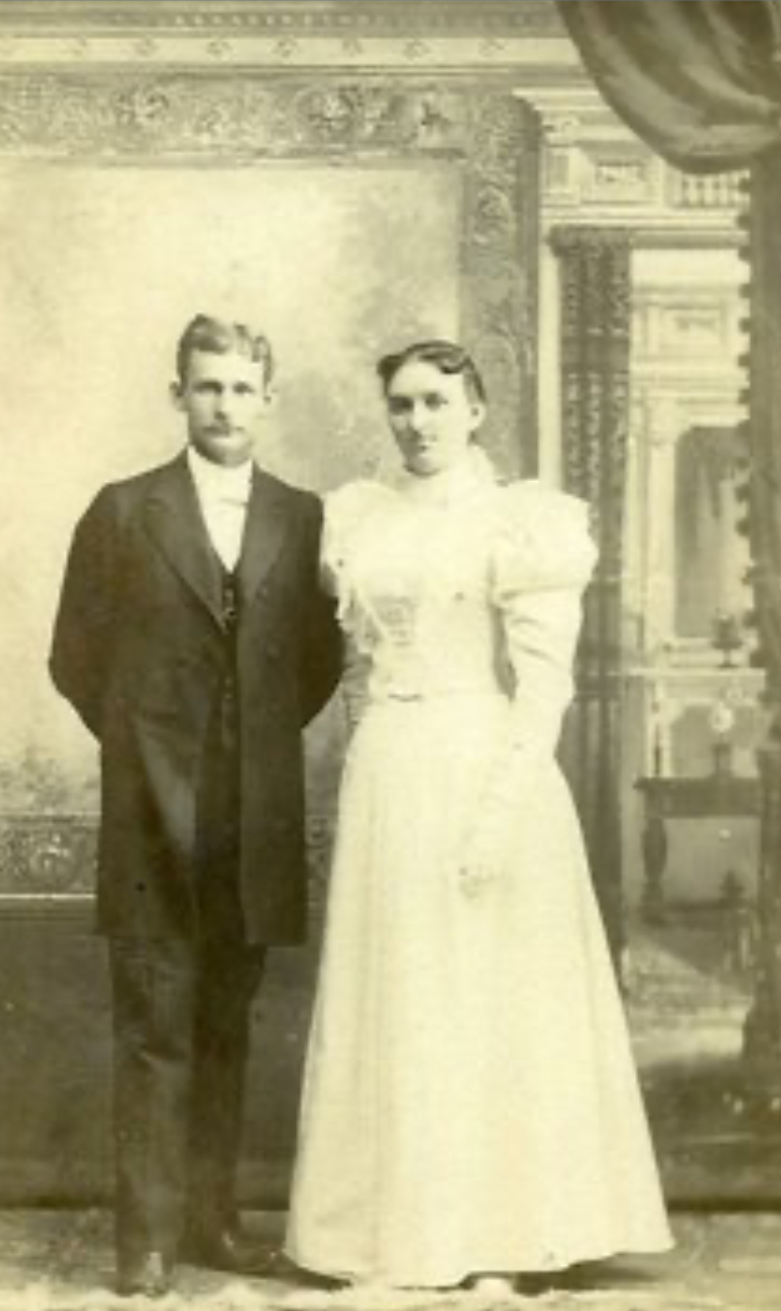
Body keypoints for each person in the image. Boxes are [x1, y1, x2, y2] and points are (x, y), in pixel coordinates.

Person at [284, 339, 673, 1295]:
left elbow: (542, 686)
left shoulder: (522, 521)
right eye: (401, 406)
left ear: (476, 410)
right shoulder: (357, 518)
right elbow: (353, 668)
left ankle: (503, 1233)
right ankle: (388, 1231)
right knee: (399, 991)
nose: (416, 423)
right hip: (387, 768)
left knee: (481, 992)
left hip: (482, 760)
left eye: (435, 403)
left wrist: (498, 813)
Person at [49, 313, 342, 1298]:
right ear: (177, 393)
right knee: (154, 1027)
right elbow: (75, 658)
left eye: (241, 387)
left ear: (269, 397)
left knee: (228, 1025)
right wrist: (151, 753)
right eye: (206, 386)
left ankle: (215, 1223)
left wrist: (248, 747)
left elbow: (315, 663)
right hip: (151, 815)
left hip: (251, 817)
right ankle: (147, 1240)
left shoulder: (301, 517)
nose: (224, 405)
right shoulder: (124, 510)